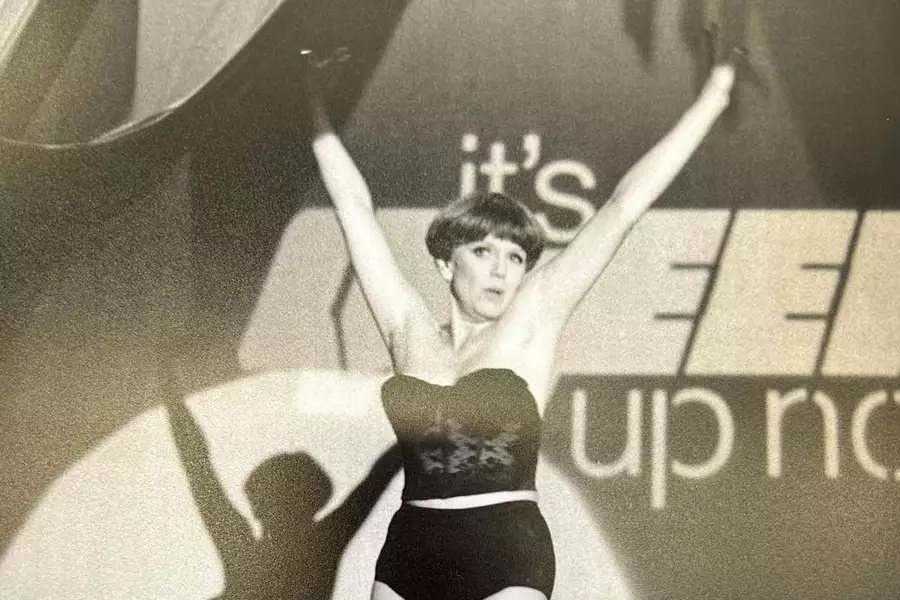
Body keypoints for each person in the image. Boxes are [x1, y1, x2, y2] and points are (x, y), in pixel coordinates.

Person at [306, 48, 737, 600]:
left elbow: (625, 204)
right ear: (445, 262)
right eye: (484, 251)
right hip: (411, 546)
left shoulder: (533, 317)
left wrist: (715, 93)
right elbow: (353, 206)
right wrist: (309, 99)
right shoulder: (407, 329)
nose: (502, 270)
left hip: (505, 545)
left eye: (515, 258)